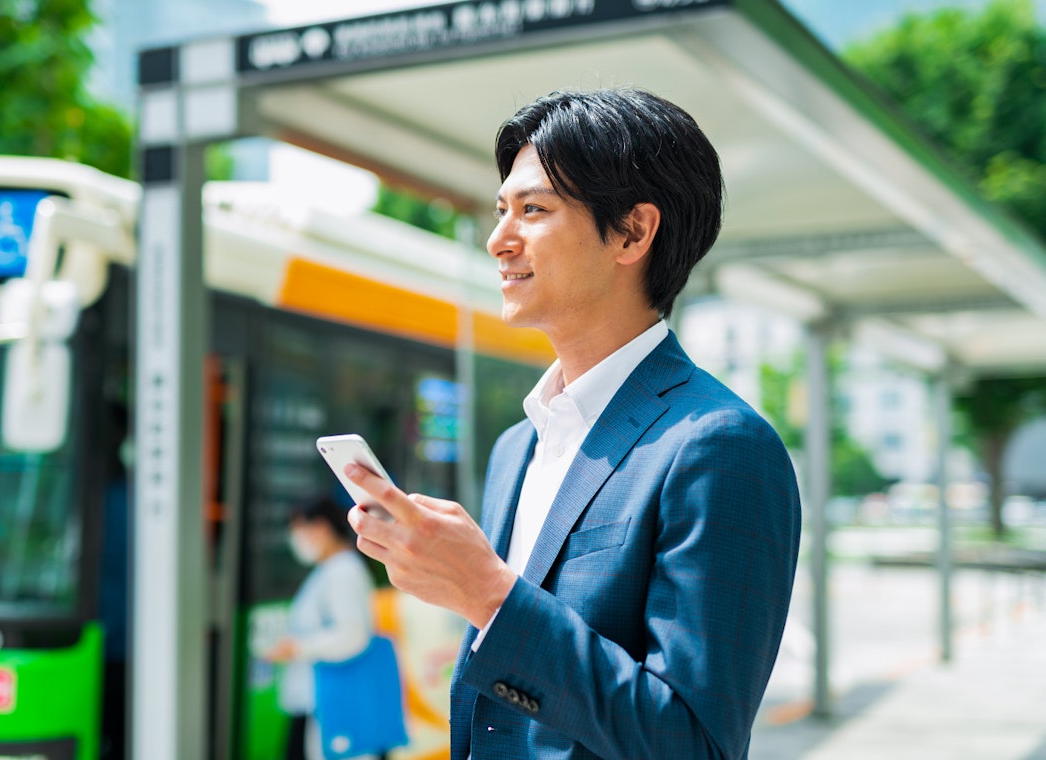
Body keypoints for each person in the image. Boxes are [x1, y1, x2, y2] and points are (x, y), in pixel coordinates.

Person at [345, 88, 802, 760]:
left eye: (534, 209)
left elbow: (692, 743)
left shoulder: (719, 446)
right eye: (502, 210)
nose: (499, 239)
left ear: (632, 232)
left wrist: (489, 594)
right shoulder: (517, 446)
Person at [265, 492, 381, 760]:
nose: (296, 539)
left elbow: (352, 636)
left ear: (321, 527)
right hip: (320, 700)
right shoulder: (333, 569)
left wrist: (297, 648)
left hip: (330, 704)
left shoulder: (343, 571)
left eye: (298, 529)